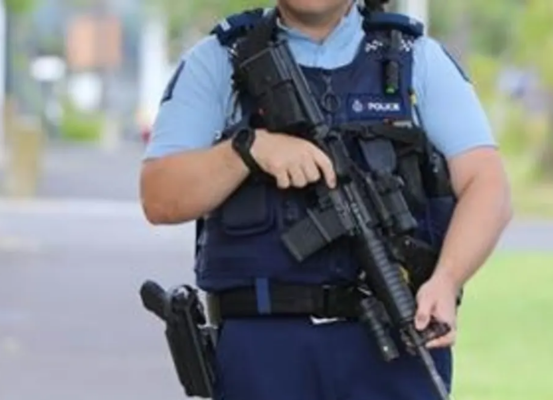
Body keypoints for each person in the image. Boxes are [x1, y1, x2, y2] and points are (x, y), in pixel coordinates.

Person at [139, 0, 513, 399]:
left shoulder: (415, 58)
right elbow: (159, 196)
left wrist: (447, 279)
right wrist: (247, 152)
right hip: (263, 355)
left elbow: (488, 185)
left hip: (395, 339)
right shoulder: (219, 61)